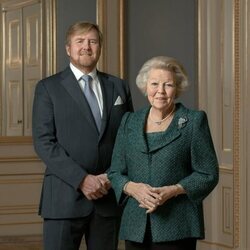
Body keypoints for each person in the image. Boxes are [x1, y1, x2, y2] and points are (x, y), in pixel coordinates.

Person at [32, 21, 133, 250]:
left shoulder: (118, 87)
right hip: (64, 198)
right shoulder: (48, 88)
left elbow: (129, 139)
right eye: (80, 41)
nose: (86, 46)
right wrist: (82, 180)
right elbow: (44, 142)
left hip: (108, 198)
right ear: (68, 48)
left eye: (93, 41)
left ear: (99, 48)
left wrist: (110, 177)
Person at [108, 56, 219, 250]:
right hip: (135, 225)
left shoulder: (193, 121)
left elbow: (208, 174)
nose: (160, 91)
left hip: (177, 224)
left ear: (177, 88)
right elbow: (115, 172)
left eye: (168, 84)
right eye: (154, 84)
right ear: (145, 87)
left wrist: (174, 190)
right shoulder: (129, 121)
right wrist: (131, 187)